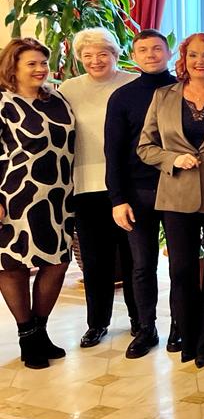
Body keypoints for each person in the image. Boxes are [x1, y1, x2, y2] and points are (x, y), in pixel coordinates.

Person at [137, 32, 204, 368]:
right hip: (176, 197)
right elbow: (145, 147)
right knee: (181, 270)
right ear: (183, 60)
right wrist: (172, 159)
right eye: (193, 55)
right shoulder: (163, 96)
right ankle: (187, 335)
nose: (200, 61)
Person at [58, 28, 137, 348]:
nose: (95, 60)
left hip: (129, 185)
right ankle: (97, 323)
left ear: (115, 54)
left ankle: (141, 320)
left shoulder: (133, 83)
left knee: (134, 258)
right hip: (86, 186)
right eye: (87, 55)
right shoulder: (68, 89)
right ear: (79, 59)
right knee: (95, 260)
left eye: (103, 53)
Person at [105, 29, 181, 358]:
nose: (151, 55)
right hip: (138, 192)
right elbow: (113, 152)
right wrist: (117, 199)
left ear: (168, 53)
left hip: (178, 188)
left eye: (157, 49)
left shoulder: (184, 90)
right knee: (141, 265)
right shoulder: (122, 97)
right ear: (133, 56)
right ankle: (146, 328)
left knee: (181, 264)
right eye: (143, 50)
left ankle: (180, 325)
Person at [0, 38, 75, 369]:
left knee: (57, 262)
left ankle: (39, 331)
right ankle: (27, 335)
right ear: (13, 67)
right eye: (31, 63)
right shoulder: (2, 102)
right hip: (14, 196)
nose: (40, 69)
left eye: (43, 62)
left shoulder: (56, 98)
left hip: (58, 197)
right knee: (12, 265)